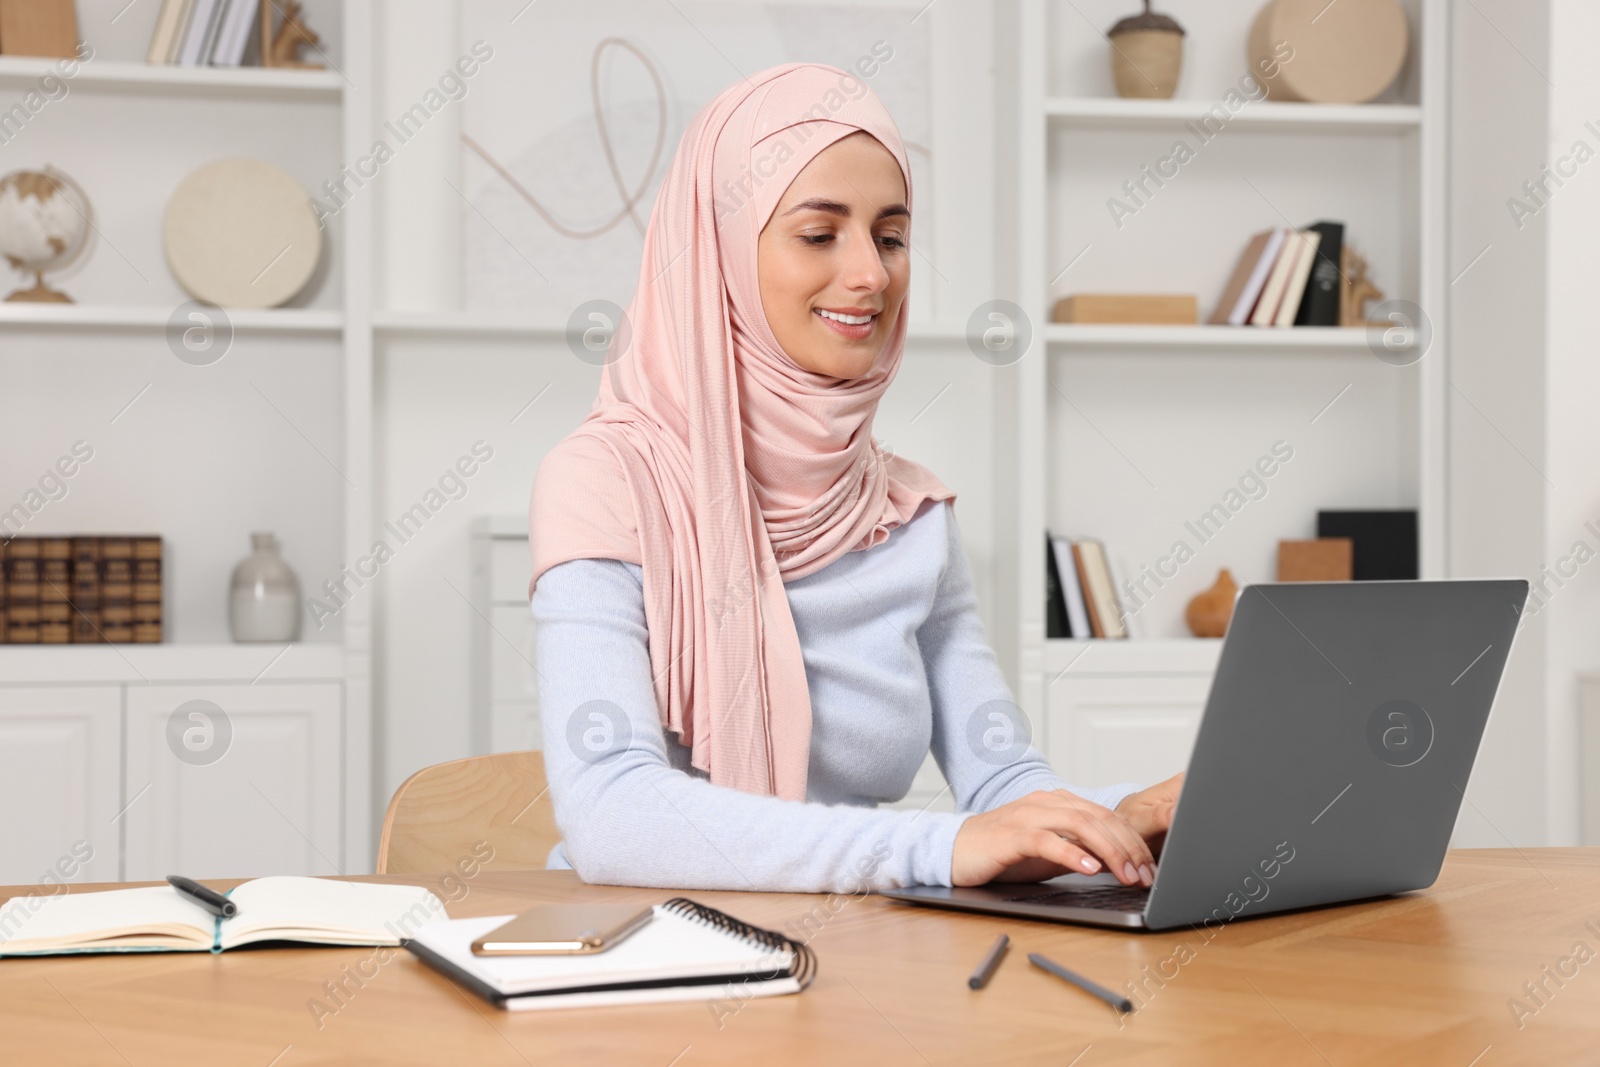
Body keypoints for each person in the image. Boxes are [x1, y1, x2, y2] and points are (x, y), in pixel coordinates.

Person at [527, 62, 1182, 895]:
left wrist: (1132, 810)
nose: (871, 274)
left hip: (858, 960)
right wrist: (926, 849)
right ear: (718, 256)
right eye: (818, 233)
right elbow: (612, 814)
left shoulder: (910, 515)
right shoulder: (607, 482)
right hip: (650, 961)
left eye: (892, 235)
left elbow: (1001, 785)